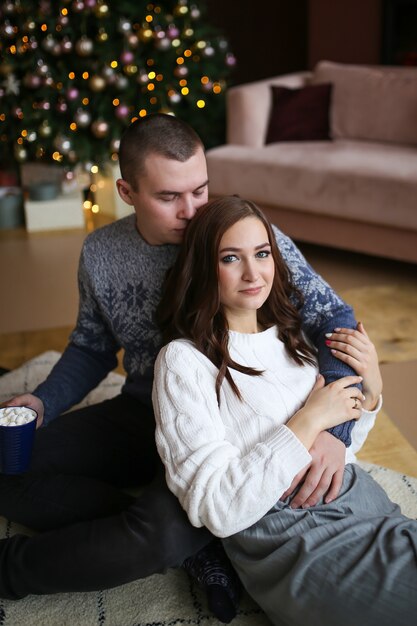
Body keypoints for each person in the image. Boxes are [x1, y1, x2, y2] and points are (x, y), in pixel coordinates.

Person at [1, 114, 360, 615]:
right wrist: (44, 400)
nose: (192, 211)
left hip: (230, 422)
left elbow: (337, 320)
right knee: (9, 464)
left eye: (200, 189)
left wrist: (333, 431)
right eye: (169, 197)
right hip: (141, 410)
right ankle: (200, 541)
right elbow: (91, 346)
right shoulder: (101, 253)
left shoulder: (243, 238)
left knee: (156, 536)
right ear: (126, 191)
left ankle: (13, 569)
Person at [153, 195, 416, 626]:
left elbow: (337, 457)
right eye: (231, 258)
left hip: (367, 509)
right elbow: (216, 508)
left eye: (262, 253)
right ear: (204, 267)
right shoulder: (183, 362)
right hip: (297, 544)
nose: (254, 273)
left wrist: (370, 393)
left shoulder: (293, 337)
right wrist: (308, 419)